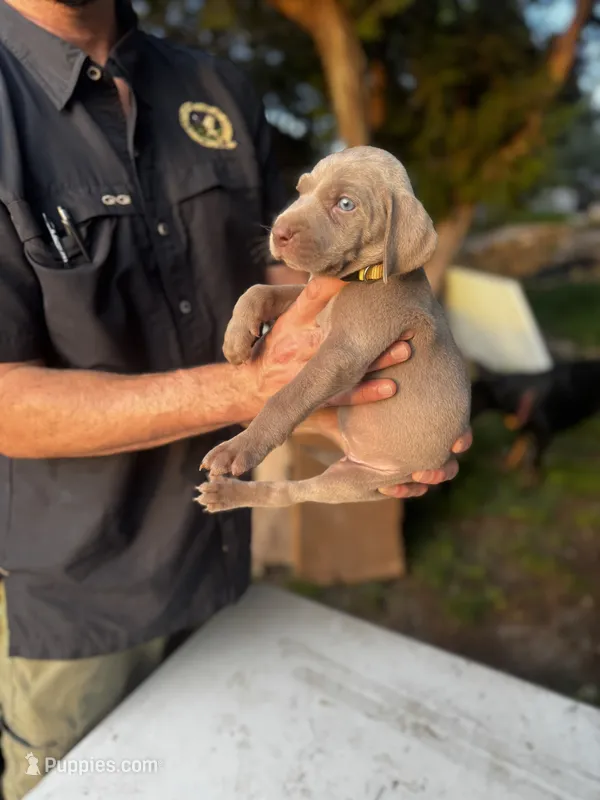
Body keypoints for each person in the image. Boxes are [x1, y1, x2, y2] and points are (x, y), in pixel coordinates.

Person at [0, 0, 472, 796]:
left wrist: (403, 385)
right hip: (81, 603)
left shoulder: (215, 86)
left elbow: (312, 263)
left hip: (220, 561)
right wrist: (247, 390)